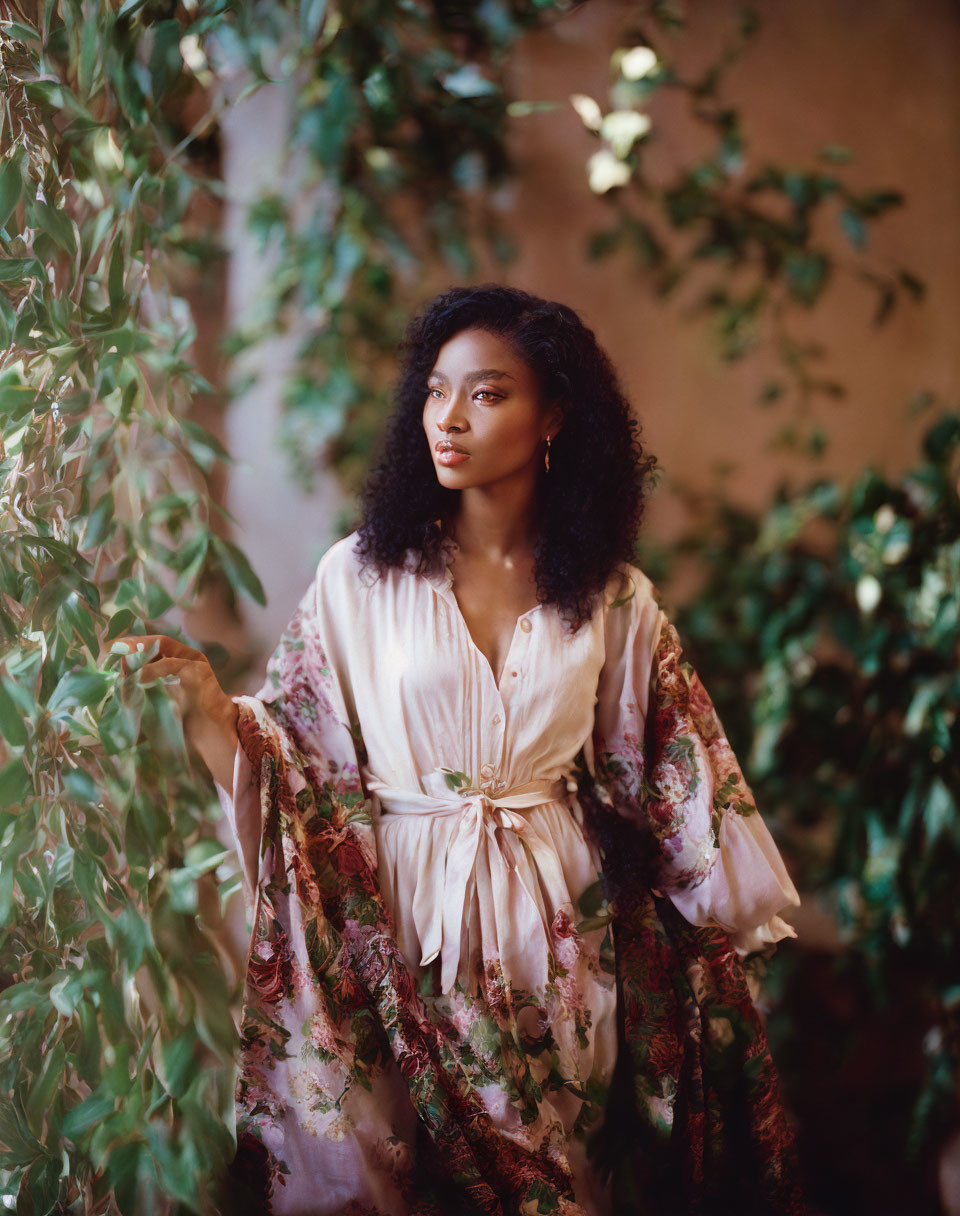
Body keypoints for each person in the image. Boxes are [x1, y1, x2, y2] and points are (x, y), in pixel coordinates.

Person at [114, 285, 806, 1215]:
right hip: (400, 922)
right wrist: (206, 704)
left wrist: (711, 939)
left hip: (555, 930)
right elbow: (298, 749)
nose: (450, 419)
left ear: (553, 413)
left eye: (487, 394)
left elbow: (668, 758)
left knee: (558, 1177)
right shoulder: (357, 579)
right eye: (437, 392)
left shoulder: (610, 596)